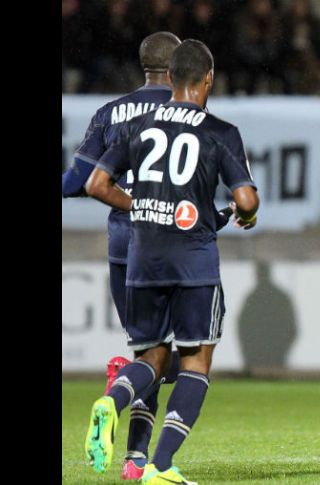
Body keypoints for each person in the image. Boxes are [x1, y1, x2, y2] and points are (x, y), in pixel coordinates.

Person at [83, 39, 259, 485]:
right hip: (193, 262)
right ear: (207, 79)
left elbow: (96, 184)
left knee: (150, 358)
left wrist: (138, 205)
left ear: (170, 78)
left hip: (141, 258)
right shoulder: (219, 131)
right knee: (196, 362)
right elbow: (245, 198)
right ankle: (160, 466)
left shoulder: (137, 125)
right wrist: (248, 213)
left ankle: (112, 401)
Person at [62, 31, 187, 481]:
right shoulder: (188, 113)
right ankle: (124, 414)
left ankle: (135, 460)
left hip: (123, 250)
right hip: (172, 246)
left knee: (148, 351)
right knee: (179, 359)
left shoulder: (110, 113)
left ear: (144, 66)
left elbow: (79, 181)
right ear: (177, 68)